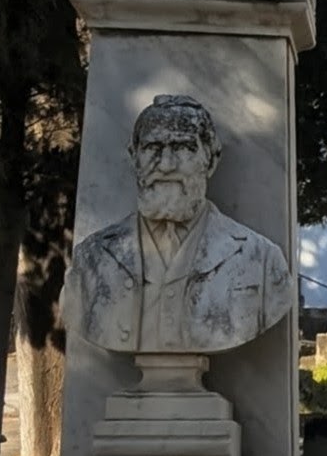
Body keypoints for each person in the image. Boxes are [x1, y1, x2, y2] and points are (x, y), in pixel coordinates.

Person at [68, 94, 292, 354]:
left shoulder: (262, 260)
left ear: (211, 160)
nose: (165, 165)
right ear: (134, 157)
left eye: (183, 147)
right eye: (152, 147)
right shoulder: (90, 258)